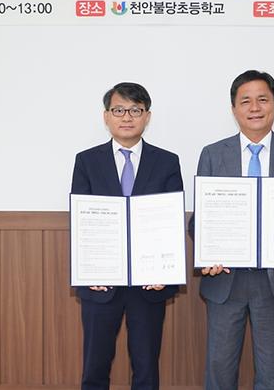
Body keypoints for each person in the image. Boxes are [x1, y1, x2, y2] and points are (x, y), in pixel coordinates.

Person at [191, 70, 274, 390]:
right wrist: (206, 250)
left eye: (263, 99)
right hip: (225, 278)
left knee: (271, 372)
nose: (255, 107)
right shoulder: (212, 154)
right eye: (245, 101)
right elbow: (200, 218)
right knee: (219, 370)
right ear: (234, 109)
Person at [71, 82, 183, 390]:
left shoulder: (167, 162)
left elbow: (171, 221)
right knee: (95, 367)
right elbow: (82, 220)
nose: (127, 117)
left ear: (147, 116)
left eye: (135, 110)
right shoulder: (87, 161)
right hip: (100, 281)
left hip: (149, 282)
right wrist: (88, 270)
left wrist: (164, 270)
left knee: (146, 368)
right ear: (106, 116)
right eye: (119, 110)